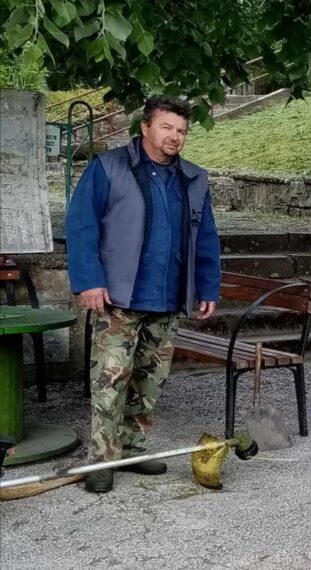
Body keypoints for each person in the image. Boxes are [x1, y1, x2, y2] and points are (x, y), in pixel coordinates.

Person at [66, 97, 221, 493]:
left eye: (182, 130)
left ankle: (133, 449)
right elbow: (81, 226)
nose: (175, 136)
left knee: (150, 382)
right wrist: (89, 281)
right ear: (145, 128)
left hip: (168, 298)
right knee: (110, 380)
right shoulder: (108, 167)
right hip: (118, 297)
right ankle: (102, 460)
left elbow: (205, 237)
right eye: (167, 127)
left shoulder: (193, 178)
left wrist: (207, 286)